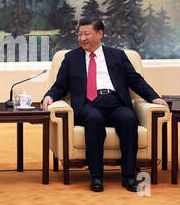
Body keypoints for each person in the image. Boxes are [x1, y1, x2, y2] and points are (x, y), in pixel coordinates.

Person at [42, 18, 168, 192]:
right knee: (93, 120)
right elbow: (60, 86)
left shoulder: (117, 55)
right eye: (79, 34)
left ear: (100, 34)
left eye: (87, 34)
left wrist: (154, 97)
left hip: (115, 102)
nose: (82, 38)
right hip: (89, 105)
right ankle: (96, 177)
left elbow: (135, 80)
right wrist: (49, 96)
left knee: (128, 120)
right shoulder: (71, 58)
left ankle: (129, 176)